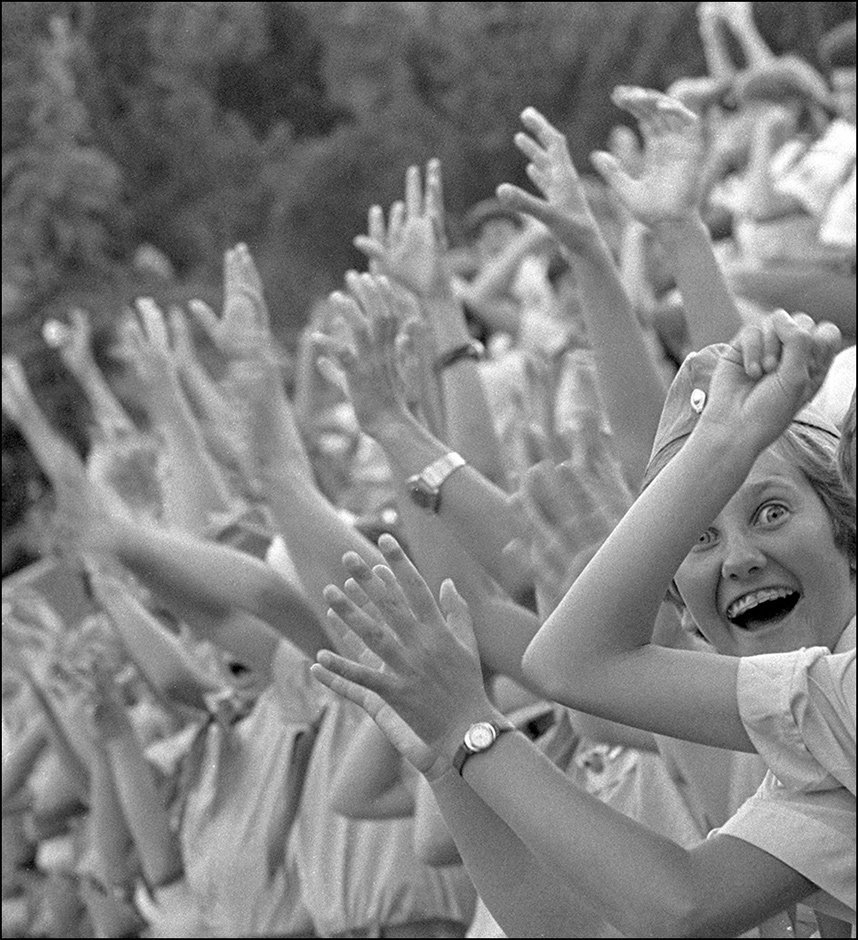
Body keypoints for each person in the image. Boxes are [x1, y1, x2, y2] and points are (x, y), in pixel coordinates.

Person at [308, 311, 854, 937]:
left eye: (773, 512)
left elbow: (679, 907)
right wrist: (450, 751)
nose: (740, 558)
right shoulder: (805, 738)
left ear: (848, 528)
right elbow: (583, 928)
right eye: (699, 536)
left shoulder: (829, 698)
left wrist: (469, 730)